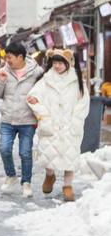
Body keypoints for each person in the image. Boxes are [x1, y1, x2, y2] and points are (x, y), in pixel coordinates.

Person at [27, 49, 89, 202]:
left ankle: (68, 186)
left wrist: (76, 120)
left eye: (61, 63)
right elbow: (31, 97)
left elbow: (83, 103)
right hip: (51, 124)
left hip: (70, 125)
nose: (57, 66)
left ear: (68, 63)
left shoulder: (77, 80)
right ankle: (50, 175)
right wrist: (43, 114)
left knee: (70, 157)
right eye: (55, 62)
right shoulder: (45, 80)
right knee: (48, 156)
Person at [0, 42, 43, 198]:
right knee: (4, 149)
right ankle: (11, 176)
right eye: (6, 57)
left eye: (10, 57)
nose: (8, 60)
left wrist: (38, 101)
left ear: (20, 57)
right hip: (8, 119)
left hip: (28, 120)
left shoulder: (37, 72)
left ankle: (26, 183)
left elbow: (44, 93)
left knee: (25, 153)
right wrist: (0, 81)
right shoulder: (4, 71)